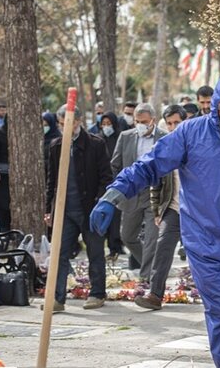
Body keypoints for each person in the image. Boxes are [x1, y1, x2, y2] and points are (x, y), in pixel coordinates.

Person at [90, 72, 220, 367]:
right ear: (214, 105)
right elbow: (149, 165)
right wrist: (113, 195)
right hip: (206, 243)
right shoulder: (190, 134)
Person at [44, 104, 112, 312]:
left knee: (95, 253)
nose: (64, 128)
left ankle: (97, 293)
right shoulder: (55, 146)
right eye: (61, 124)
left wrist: (100, 203)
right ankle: (57, 298)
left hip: (90, 209)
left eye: (68, 124)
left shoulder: (95, 144)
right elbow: (51, 181)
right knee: (60, 254)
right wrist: (48, 209)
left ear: (79, 122)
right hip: (65, 211)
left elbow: (106, 178)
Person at [134, 105, 186, 310]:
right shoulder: (164, 147)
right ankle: (155, 295)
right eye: (170, 123)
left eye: (177, 122)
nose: (173, 127)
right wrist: (157, 210)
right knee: (162, 248)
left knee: (203, 254)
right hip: (172, 208)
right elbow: (156, 182)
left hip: (198, 211)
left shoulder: (198, 144)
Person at [111, 103, 166, 280]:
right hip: (131, 194)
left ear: (153, 120)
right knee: (127, 236)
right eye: (137, 121)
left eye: (144, 121)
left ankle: (146, 278)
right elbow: (116, 164)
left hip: (154, 195)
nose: (140, 125)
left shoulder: (164, 138)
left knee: (151, 240)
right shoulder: (125, 137)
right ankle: (150, 266)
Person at [97, 111, 124, 259]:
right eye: (104, 124)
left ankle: (116, 246)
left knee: (116, 217)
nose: (106, 127)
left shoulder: (120, 138)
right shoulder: (98, 140)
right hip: (102, 184)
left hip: (117, 183)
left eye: (109, 124)